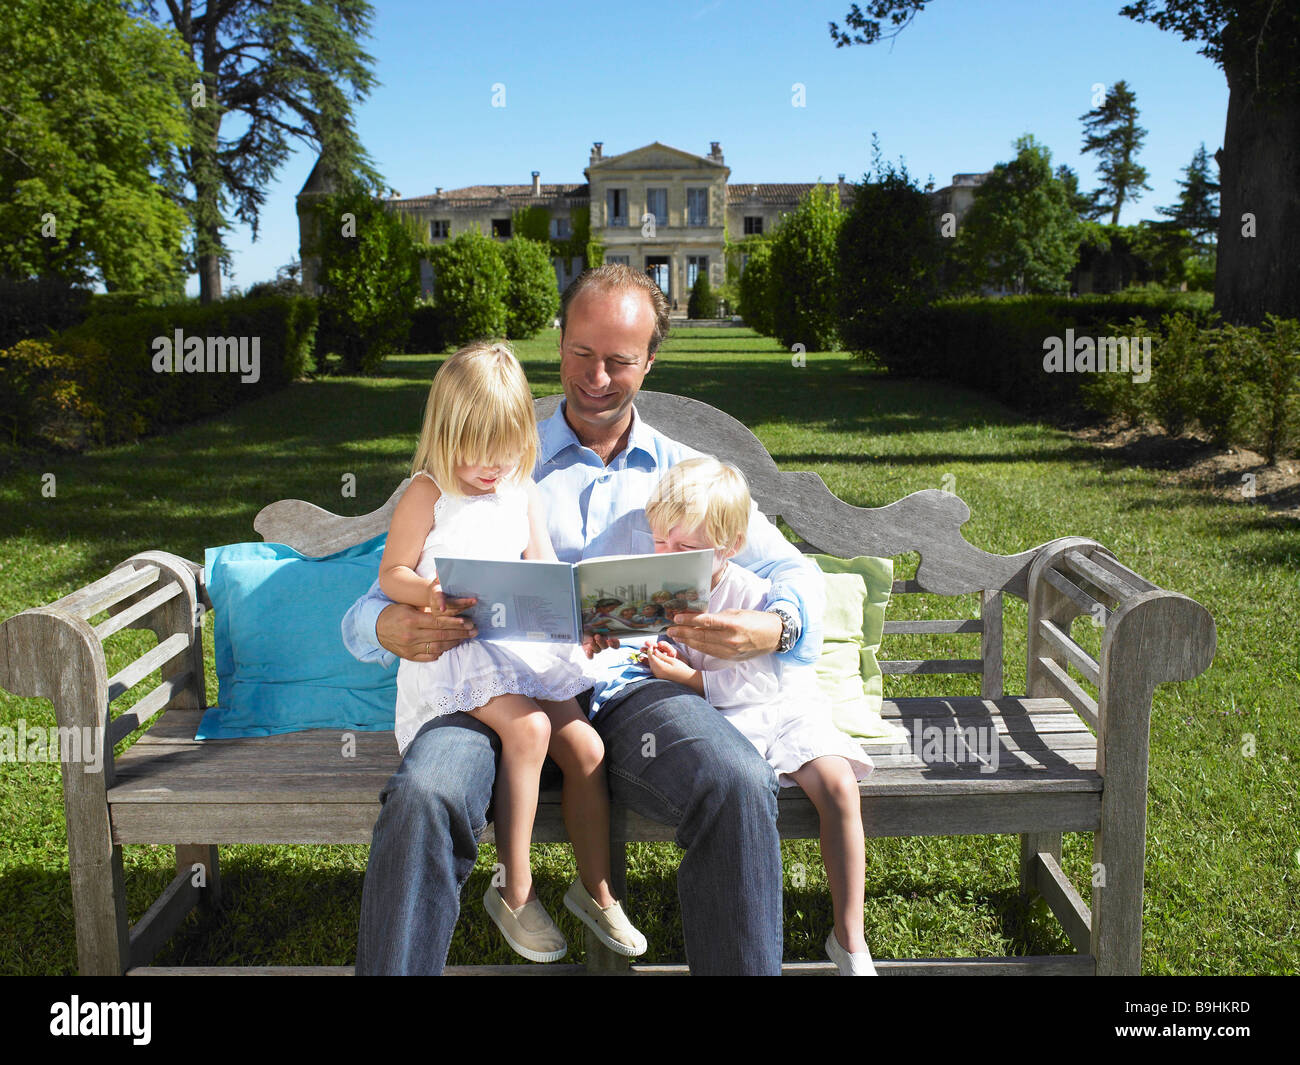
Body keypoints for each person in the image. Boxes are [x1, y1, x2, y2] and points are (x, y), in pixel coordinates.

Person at [343, 264, 826, 975]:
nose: (597, 376)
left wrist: (775, 629)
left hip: (637, 688)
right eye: (581, 353)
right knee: (424, 791)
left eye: (620, 360)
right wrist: (384, 629)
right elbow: (373, 597)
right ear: (559, 341)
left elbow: (795, 575)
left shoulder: (687, 473)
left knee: (735, 777)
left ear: (651, 360)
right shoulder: (493, 452)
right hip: (491, 689)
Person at [376, 339, 645, 962]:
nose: (490, 467)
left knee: (586, 744)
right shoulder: (428, 493)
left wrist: (572, 613)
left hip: (518, 647)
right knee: (527, 730)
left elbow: (543, 566)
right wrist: (428, 591)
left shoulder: (523, 489)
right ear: (444, 434)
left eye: (504, 449)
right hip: (459, 648)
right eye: (474, 452)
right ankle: (515, 892)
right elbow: (391, 573)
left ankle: (596, 890)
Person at [593, 457, 876, 975]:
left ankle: (850, 936)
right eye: (659, 542)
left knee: (838, 786)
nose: (667, 556)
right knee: (733, 780)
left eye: (683, 548)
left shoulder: (750, 596)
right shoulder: (663, 589)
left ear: (728, 545)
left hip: (778, 709)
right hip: (730, 721)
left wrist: (687, 679)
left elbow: (760, 682)